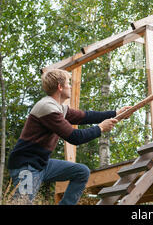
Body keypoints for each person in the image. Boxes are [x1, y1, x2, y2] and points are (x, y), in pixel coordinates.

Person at [7, 68, 131, 205]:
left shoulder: (59, 108)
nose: (71, 86)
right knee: (22, 203)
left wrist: (115, 113)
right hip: (26, 166)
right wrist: (100, 128)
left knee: (81, 172)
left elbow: (85, 116)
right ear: (60, 87)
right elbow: (75, 137)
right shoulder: (47, 107)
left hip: (42, 164)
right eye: (68, 83)